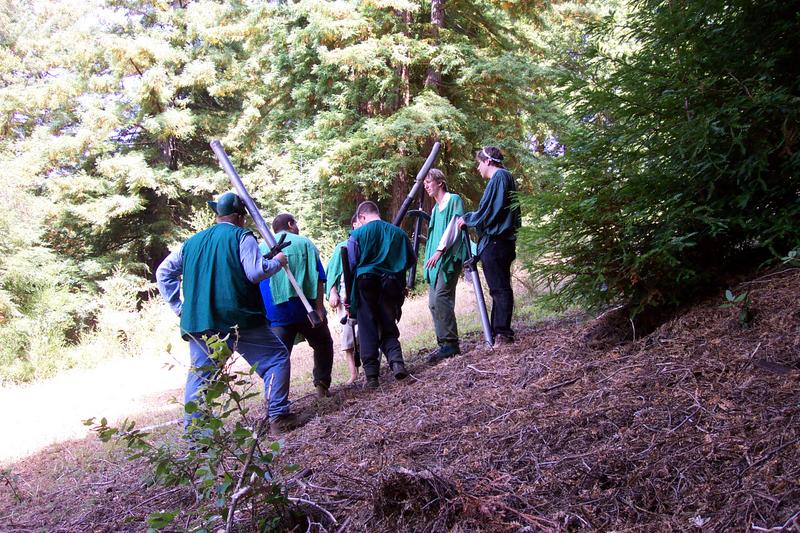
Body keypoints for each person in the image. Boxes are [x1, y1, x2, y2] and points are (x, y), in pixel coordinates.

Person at [156, 192, 297, 436]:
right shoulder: (242, 236)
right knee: (276, 358)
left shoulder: (190, 243)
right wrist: (278, 262)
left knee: (201, 378)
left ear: (218, 215)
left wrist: (180, 308)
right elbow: (255, 273)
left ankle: (197, 437)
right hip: (239, 318)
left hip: (200, 321)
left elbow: (163, 273)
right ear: (240, 217)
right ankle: (279, 416)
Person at [259, 213, 334, 398]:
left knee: (278, 358)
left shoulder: (260, 248)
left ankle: (275, 401)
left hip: (275, 314)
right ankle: (322, 385)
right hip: (306, 310)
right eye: (296, 224)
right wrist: (319, 308)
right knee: (323, 343)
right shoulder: (305, 243)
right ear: (291, 224)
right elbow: (319, 278)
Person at [346, 201, 416, 389]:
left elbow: (352, 264)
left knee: (367, 327)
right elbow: (410, 260)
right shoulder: (398, 234)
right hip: (390, 284)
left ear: (362, 217)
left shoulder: (356, 235)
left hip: (365, 283)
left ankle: (371, 377)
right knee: (387, 323)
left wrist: (350, 297)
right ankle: (397, 362)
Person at [457, 146, 522, 344]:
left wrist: (468, 218)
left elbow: (491, 211)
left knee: (500, 289)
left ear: (487, 161)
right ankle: (496, 333)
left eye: (479, 163)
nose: (478, 168)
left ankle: (502, 333)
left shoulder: (500, 177)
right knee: (497, 288)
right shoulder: (503, 178)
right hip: (497, 243)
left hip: (497, 242)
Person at [422, 168, 469, 364]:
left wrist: (440, 251)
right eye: (424, 183)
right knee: (433, 302)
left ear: (440, 182)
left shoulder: (453, 200)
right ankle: (443, 344)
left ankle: (451, 343)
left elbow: (454, 227)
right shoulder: (435, 209)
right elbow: (432, 235)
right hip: (436, 261)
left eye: (429, 182)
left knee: (442, 297)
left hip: (449, 257)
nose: (426, 186)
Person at [325, 214, 361, 385]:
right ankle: (353, 373)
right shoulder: (342, 246)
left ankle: (370, 368)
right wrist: (333, 292)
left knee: (364, 334)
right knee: (348, 337)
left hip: (365, 295)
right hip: (346, 297)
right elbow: (332, 272)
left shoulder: (368, 243)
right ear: (354, 224)